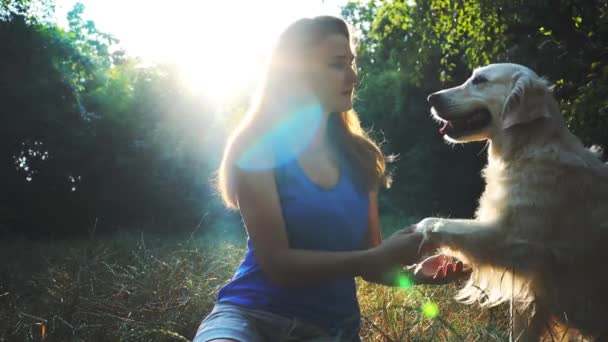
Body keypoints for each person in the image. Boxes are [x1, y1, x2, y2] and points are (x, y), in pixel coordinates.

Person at [194, 16, 468, 342]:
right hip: (250, 319)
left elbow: (371, 264)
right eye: (338, 65)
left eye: (352, 63)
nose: (352, 75)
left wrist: (414, 276)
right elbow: (278, 264)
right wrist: (378, 256)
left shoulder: (361, 157)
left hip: (330, 332)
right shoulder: (258, 150)